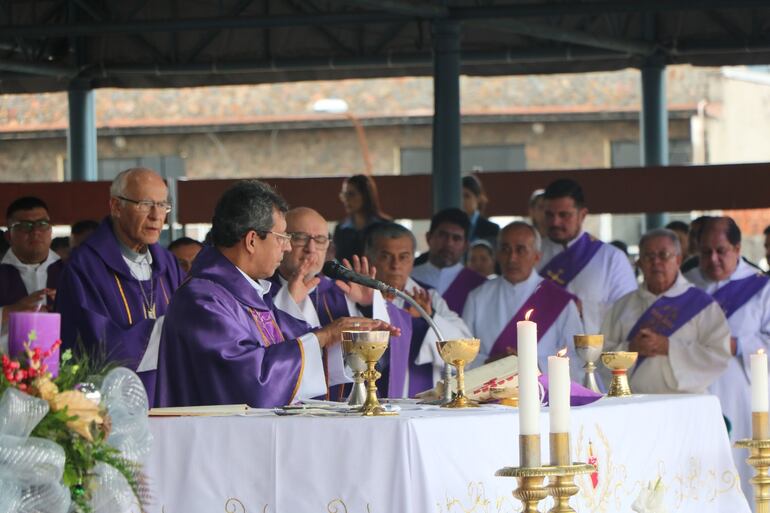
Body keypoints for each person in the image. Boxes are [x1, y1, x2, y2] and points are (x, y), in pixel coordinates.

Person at [156, 181, 396, 408]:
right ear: (252, 240)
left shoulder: (245, 293)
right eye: (282, 237)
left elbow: (291, 341)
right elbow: (251, 382)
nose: (288, 246)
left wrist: (349, 338)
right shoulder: (204, 299)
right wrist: (323, 336)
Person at [55, 168, 185, 400]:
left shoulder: (168, 264)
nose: (157, 216)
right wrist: (164, 330)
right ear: (116, 206)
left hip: (168, 399)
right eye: (145, 204)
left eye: (163, 205)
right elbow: (93, 344)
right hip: (111, 407)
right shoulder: (85, 267)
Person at [267, 207, 410, 400]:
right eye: (300, 238)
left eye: (319, 240)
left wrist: (368, 305)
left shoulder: (342, 291)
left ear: (328, 247)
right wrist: (287, 302)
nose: (311, 248)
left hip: (341, 412)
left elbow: (397, 337)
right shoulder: (262, 291)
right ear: (282, 240)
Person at [684, 217, 770, 504]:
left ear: (737, 247)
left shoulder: (761, 287)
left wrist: (736, 345)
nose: (713, 259)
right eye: (705, 252)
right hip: (693, 389)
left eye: (721, 251)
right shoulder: (686, 284)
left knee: (740, 462)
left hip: (741, 393)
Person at [601, 229, 730, 394]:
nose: (656, 262)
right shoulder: (622, 306)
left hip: (685, 404)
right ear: (639, 263)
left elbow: (719, 355)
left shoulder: (701, 305)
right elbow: (601, 356)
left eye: (664, 255)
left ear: (678, 259)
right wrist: (630, 348)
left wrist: (668, 347)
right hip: (632, 403)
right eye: (649, 256)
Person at [365, 222, 472, 396]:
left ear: (413, 259)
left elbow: (464, 350)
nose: (395, 265)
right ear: (370, 257)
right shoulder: (358, 296)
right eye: (386, 256)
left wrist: (429, 317)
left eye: (404, 257)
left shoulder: (428, 297)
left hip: (421, 401)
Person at [463, 222, 584, 376]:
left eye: (521, 250)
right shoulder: (477, 297)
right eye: (505, 250)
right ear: (497, 255)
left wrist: (531, 364)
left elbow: (576, 358)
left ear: (537, 256)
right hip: (487, 392)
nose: (512, 258)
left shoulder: (560, 301)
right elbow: (463, 354)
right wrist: (490, 363)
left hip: (544, 393)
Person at [537, 179, 637, 333]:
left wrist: (583, 309)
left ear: (582, 215)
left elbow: (628, 313)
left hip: (590, 353)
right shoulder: (531, 254)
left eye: (564, 215)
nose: (555, 222)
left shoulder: (611, 258)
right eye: (549, 215)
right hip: (540, 351)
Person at [1, 197, 63, 352]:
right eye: (25, 226)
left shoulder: (72, 272)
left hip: (67, 368)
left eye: (42, 224)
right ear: (9, 236)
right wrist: (9, 312)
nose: (35, 232)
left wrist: (68, 306)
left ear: (50, 230)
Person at [411, 208, 487, 315]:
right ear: (429, 238)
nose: (449, 243)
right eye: (442, 235)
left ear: (466, 246)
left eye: (456, 238)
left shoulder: (480, 285)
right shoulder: (409, 278)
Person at [332, 174, 390, 263]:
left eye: (351, 194)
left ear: (366, 195)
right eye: (344, 194)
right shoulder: (341, 228)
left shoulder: (385, 227)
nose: (346, 199)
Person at [461, 175, 499, 246]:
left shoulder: (492, 229)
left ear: (478, 198)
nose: (462, 201)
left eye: (467, 196)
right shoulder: (452, 226)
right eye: (459, 196)